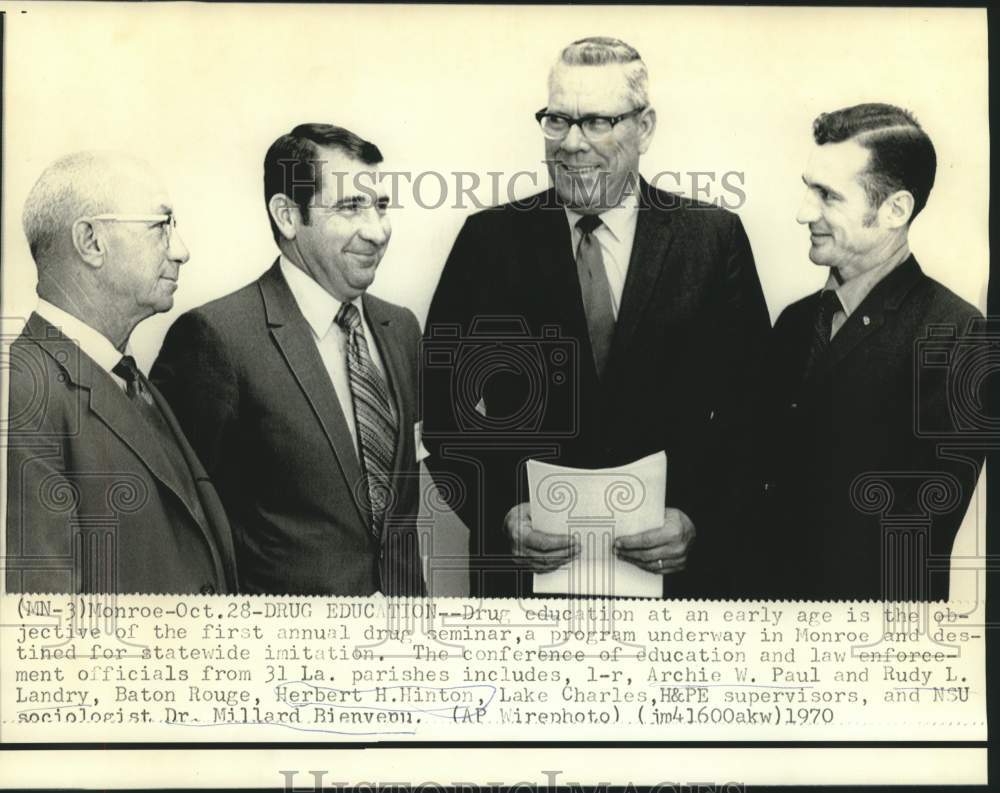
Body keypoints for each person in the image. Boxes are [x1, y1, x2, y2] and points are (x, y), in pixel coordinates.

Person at [422, 37, 771, 598]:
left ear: (645, 127)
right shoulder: (487, 241)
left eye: (598, 122)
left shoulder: (713, 239)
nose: (572, 144)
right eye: (557, 120)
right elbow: (440, 412)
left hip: (675, 582)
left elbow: (757, 413)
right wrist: (497, 516)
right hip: (525, 581)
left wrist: (700, 520)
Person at [150, 124, 425, 596]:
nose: (377, 232)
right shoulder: (216, 340)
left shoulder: (400, 329)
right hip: (284, 651)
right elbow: (179, 529)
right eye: (350, 207)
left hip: (400, 641)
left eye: (381, 206)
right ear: (287, 216)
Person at [761, 103, 986, 601]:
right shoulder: (795, 323)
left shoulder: (959, 335)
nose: (803, 212)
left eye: (827, 196)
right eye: (807, 187)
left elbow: (916, 536)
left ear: (895, 210)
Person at [5, 151, 237, 594]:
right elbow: (42, 628)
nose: (181, 251)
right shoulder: (23, 393)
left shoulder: (126, 375)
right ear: (91, 241)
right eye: (160, 226)